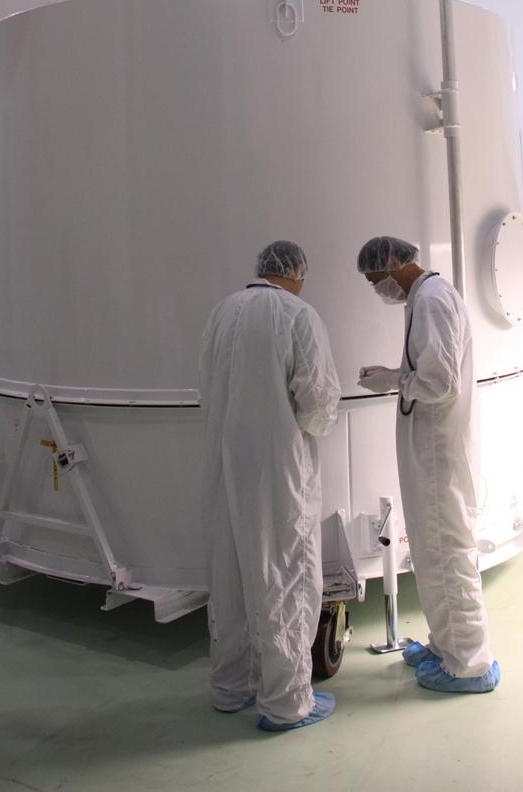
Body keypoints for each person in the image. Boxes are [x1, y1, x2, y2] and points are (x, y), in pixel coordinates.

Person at [200, 240, 341, 732]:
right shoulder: (297, 315)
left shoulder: (223, 313)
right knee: (286, 576)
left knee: (231, 576)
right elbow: (318, 401)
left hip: (224, 464)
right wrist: (312, 425)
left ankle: (230, 687)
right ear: (296, 272)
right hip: (279, 470)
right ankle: (286, 702)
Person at [356, 236, 499, 695]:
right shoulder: (422, 299)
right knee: (432, 552)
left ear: (396, 263)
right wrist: (396, 378)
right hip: (430, 450)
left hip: (440, 452)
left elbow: (439, 382)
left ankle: (471, 663)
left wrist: (391, 380)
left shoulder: (433, 300)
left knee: (447, 552)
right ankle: (445, 645)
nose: (378, 288)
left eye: (377, 278)